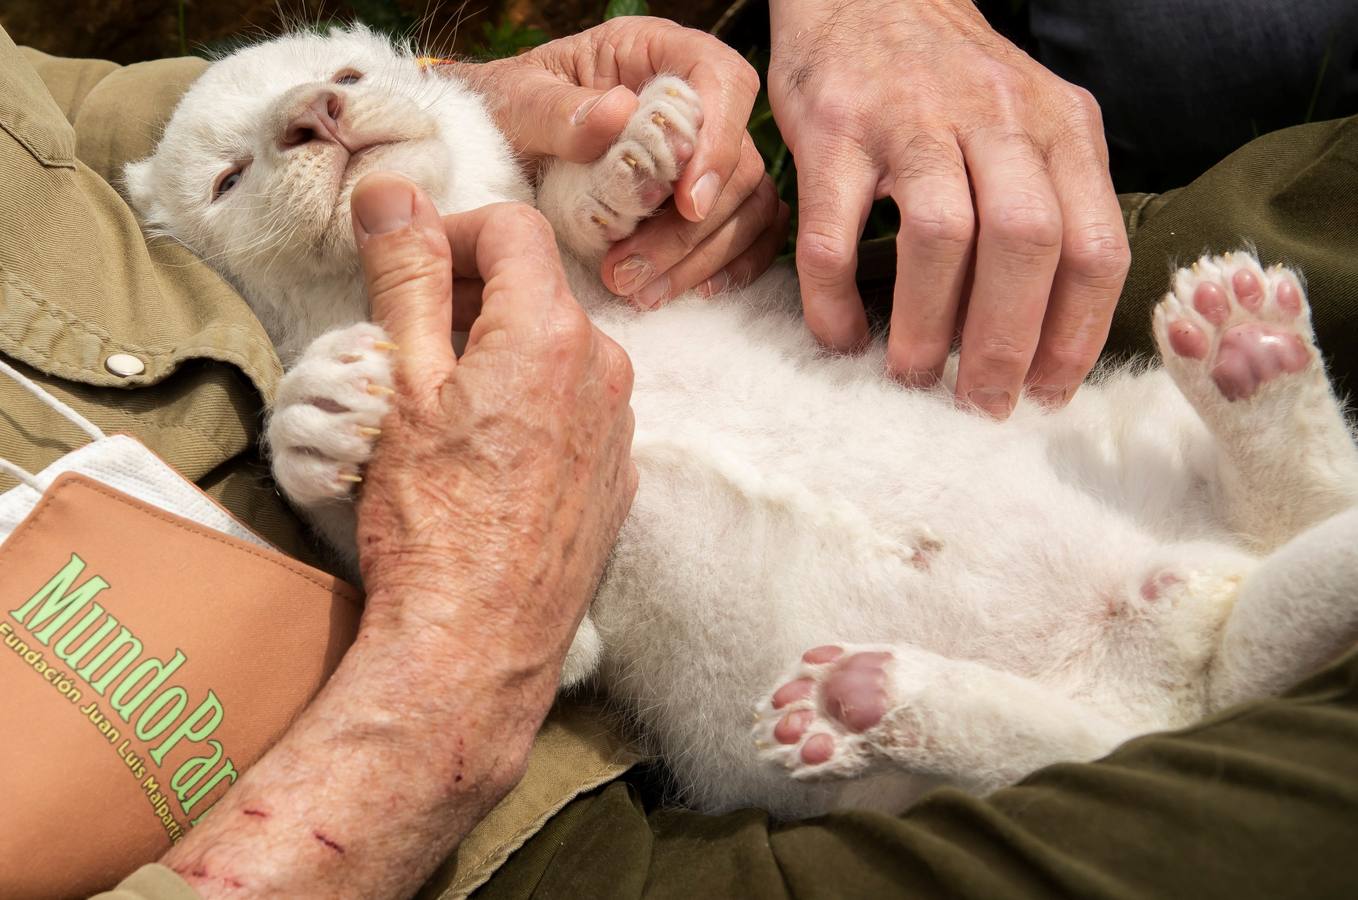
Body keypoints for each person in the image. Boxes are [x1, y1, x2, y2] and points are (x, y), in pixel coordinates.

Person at [1, 14, 1356, 900]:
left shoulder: (498, 217)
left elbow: (103, 114)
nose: (317, 115)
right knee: (1255, 791)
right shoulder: (352, 406)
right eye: (240, 182)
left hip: (1044, 462)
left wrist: (572, 147)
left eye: (349, 80)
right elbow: (547, 636)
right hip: (545, 804)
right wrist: (400, 583)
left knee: (1274, 245)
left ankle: (1274, 513)